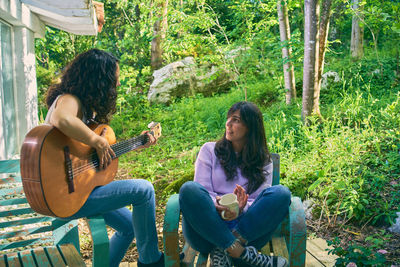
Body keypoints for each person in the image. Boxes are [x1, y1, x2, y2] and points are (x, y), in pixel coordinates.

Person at [45, 48, 163, 267]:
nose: (117, 84)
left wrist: (135, 144)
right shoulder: (69, 100)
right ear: (98, 78)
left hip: (81, 189)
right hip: (64, 195)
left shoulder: (85, 109)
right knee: (144, 190)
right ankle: (152, 261)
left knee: (129, 227)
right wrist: (98, 141)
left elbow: (85, 153)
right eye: (114, 79)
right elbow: (61, 118)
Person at [179, 101, 291, 267]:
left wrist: (240, 209)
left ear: (250, 127)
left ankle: (225, 248)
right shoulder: (209, 151)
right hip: (206, 231)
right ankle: (240, 253)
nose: (228, 123)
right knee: (189, 189)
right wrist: (219, 207)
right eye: (229, 118)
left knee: (281, 193)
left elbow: (258, 201)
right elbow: (203, 192)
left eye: (236, 120)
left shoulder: (264, 161)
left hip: (246, 231)